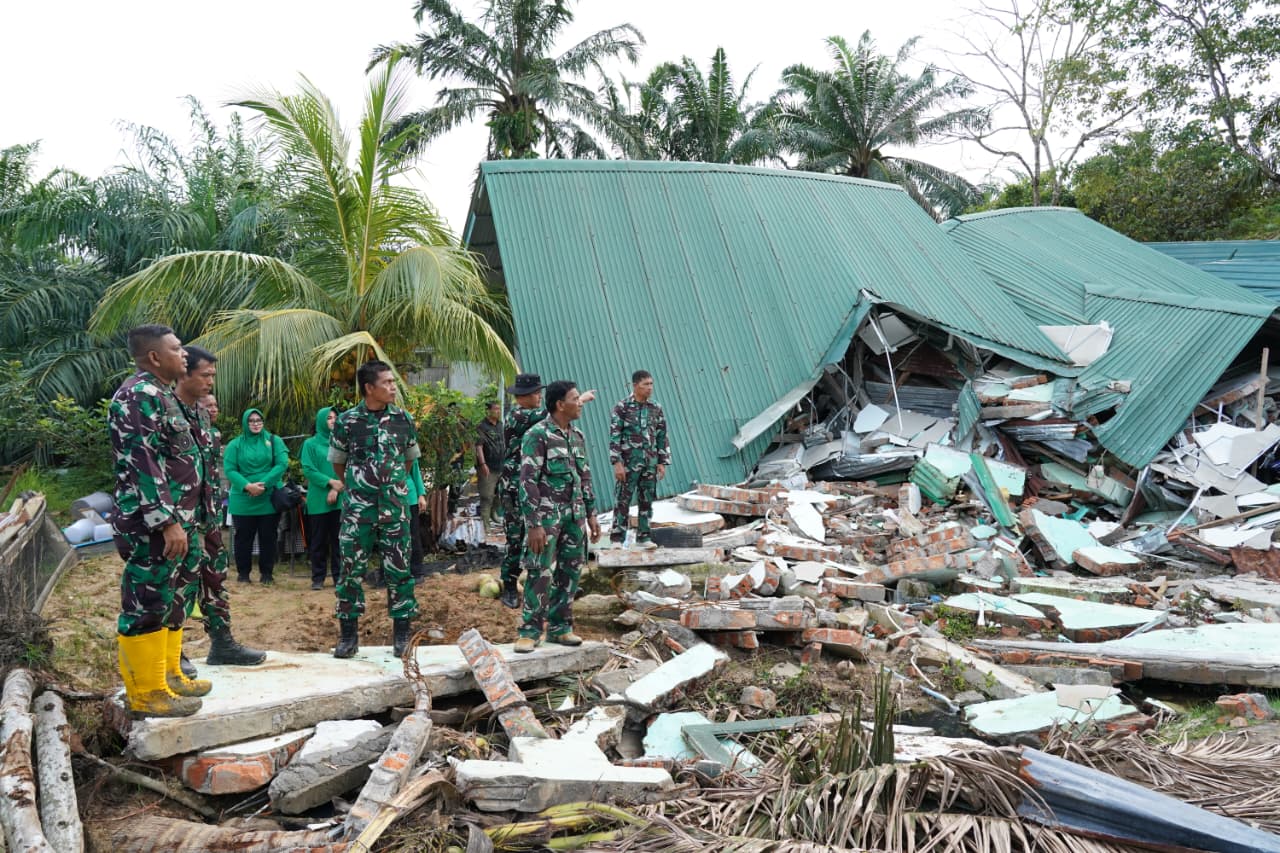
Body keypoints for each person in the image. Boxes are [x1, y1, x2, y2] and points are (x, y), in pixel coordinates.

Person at [108, 324, 208, 717]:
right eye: (176, 348)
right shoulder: (137, 396)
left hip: (181, 521)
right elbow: (143, 464)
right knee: (147, 601)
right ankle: (146, 692)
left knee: (172, 598)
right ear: (154, 357)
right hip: (152, 525)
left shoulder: (164, 395)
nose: (184, 354)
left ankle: (168, 677)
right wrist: (166, 521)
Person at [171, 349, 267, 668]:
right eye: (206, 374)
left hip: (206, 516)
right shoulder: (164, 412)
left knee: (215, 578)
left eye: (213, 375)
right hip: (178, 519)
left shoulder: (201, 416)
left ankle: (222, 644)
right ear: (184, 373)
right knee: (179, 584)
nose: (212, 381)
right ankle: (174, 652)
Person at [329, 360, 422, 658]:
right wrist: (361, 489)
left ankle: (402, 635)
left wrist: (390, 485)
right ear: (369, 388)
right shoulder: (347, 421)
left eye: (394, 382)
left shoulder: (403, 419)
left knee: (399, 572)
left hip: (394, 511)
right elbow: (339, 463)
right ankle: (348, 637)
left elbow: (408, 461)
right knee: (350, 572)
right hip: (358, 513)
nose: (393, 387)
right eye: (387, 383)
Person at [514, 380, 600, 653]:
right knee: (539, 572)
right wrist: (534, 524)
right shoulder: (536, 435)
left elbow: (584, 478)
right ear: (560, 404)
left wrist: (591, 515)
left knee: (570, 572)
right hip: (547, 520)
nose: (580, 403)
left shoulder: (578, 437)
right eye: (576, 399)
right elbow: (528, 482)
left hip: (574, 517)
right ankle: (529, 631)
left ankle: (560, 628)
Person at [496, 374, 595, 609]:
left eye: (541, 393)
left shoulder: (570, 434)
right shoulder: (518, 415)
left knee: (550, 539)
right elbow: (550, 414)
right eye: (535, 394)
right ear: (522, 397)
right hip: (514, 487)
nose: (539, 397)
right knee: (516, 537)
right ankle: (509, 584)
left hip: (536, 488)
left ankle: (558, 586)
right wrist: (579, 399)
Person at [607, 370, 671, 549]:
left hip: (649, 463)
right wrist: (616, 462)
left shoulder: (655, 407)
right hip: (628, 464)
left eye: (651, 384)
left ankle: (643, 537)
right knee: (622, 500)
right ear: (635, 385)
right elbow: (614, 436)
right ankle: (617, 539)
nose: (650, 388)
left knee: (646, 500)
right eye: (645, 384)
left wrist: (661, 461)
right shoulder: (622, 407)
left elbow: (661, 435)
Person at [223, 409, 288, 584]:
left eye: (259, 420)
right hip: (243, 498)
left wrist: (263, 484)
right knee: (243, 538)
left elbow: (282, 464)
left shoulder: (274, 441)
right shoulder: (234, 445)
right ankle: (243, 574)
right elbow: (230, 469)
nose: (255, 423)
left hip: (267, 497)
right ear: (245, 423)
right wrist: (248, 486)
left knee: (268, 537)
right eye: (251, 420)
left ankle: (267, 574)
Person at [301, 406, 344, 590]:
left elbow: (348, 467)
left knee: (339, 540)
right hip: (318, 499)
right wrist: (329, 483)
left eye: (335, 417)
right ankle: (318, 577)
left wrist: (337, 488)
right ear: (321, 421)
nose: (333, 420)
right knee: (318, 540)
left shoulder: (342, 442)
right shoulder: (310, 444)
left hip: (340, 498)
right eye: (329, 418)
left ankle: (339, 576)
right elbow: (308, 470)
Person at [475, 402, 504, 525]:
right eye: (496, 409)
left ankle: (493, 513)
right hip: (488, 467)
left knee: (501, 493)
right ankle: (485, 525)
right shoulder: (482, 426)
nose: (498, 411)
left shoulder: (500, 425)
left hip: (501, 465)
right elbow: (479, 446)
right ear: (489, 411)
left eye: (499, 409)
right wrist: (482, 464)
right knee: (487, 496)